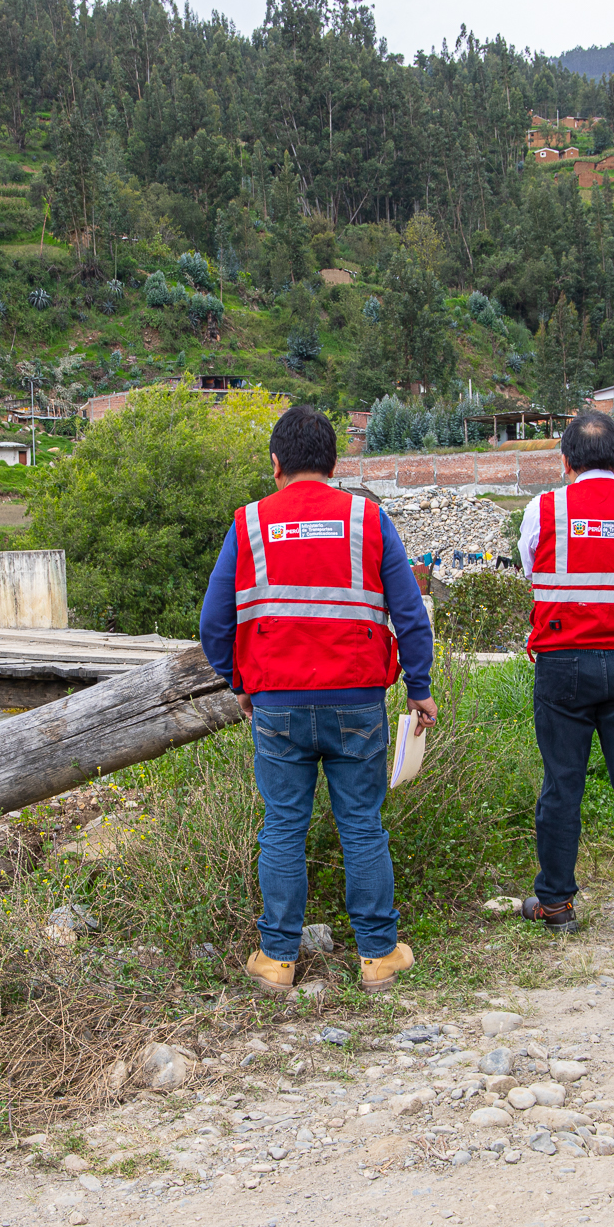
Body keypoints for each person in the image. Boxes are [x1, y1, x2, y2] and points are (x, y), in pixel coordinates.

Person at [199, 405, 436, 992]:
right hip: (357, 699)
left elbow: (212, 622)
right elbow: (409, 613)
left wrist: (241, 682)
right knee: (361, 825)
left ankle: (278, 960)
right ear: (334, 463)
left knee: (282, 826)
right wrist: (421, 688)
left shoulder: (250, 523)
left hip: (276, 702)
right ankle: (379, 956)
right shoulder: (368, 519)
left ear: (276, 464)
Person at [519, 411, 614, 937]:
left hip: (563, 664)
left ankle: (556, 904)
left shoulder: (545, 509)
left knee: (562, 785)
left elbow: (530, 568)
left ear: (564, 461)